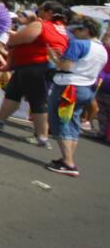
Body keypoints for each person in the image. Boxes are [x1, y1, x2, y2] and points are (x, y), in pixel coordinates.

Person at [0, 0, 69, 147]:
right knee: (13, 93)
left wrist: (12, 38)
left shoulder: (42, 25)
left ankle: (42, 137)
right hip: (30, 66)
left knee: (37, 101)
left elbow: (19, 39)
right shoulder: (61, 29)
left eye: (41, 9)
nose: (38, 12)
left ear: (48, 13)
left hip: (34, 66)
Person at [44, 18, 107, 177]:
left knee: (60, 122)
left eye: (76, 30)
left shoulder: (78, 44)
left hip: (69, 87)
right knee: (72, 123)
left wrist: (53, 57)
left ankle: (68, 162)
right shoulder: (102, 49)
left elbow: (65, 66)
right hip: (86, 88)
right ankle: (67, 158)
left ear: (85, 30)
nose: (74, 33)